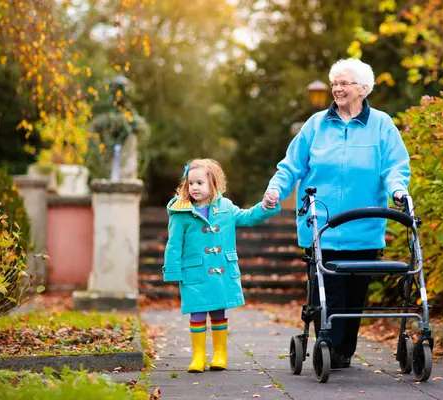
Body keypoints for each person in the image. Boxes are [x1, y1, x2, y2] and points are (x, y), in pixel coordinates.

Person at [262, 58, 410, 368]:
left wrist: (398, 190)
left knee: (354, 294)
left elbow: (395, 165)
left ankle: (342, 350)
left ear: (364, 88)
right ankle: (328, 344)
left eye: (344, 83)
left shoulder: (382, 124)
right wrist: (277, 189)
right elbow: (291, 165)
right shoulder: (316, 124)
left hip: (364, 224)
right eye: (334, 83)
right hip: (320, 224)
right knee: (324, 287)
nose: (337, 89)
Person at [163, 158, 280, 373]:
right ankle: (198, 356)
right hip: (194, 272)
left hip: (220, 271)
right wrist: (172, 269)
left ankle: (219, 354)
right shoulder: (181, 213)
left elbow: (247, 217)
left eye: (200, 183)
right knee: (197, 313)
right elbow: (173, 244)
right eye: (191, 183)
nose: (194, 187)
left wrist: (265, 206)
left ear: (214, 184)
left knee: (218, 312)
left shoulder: (225, 207)